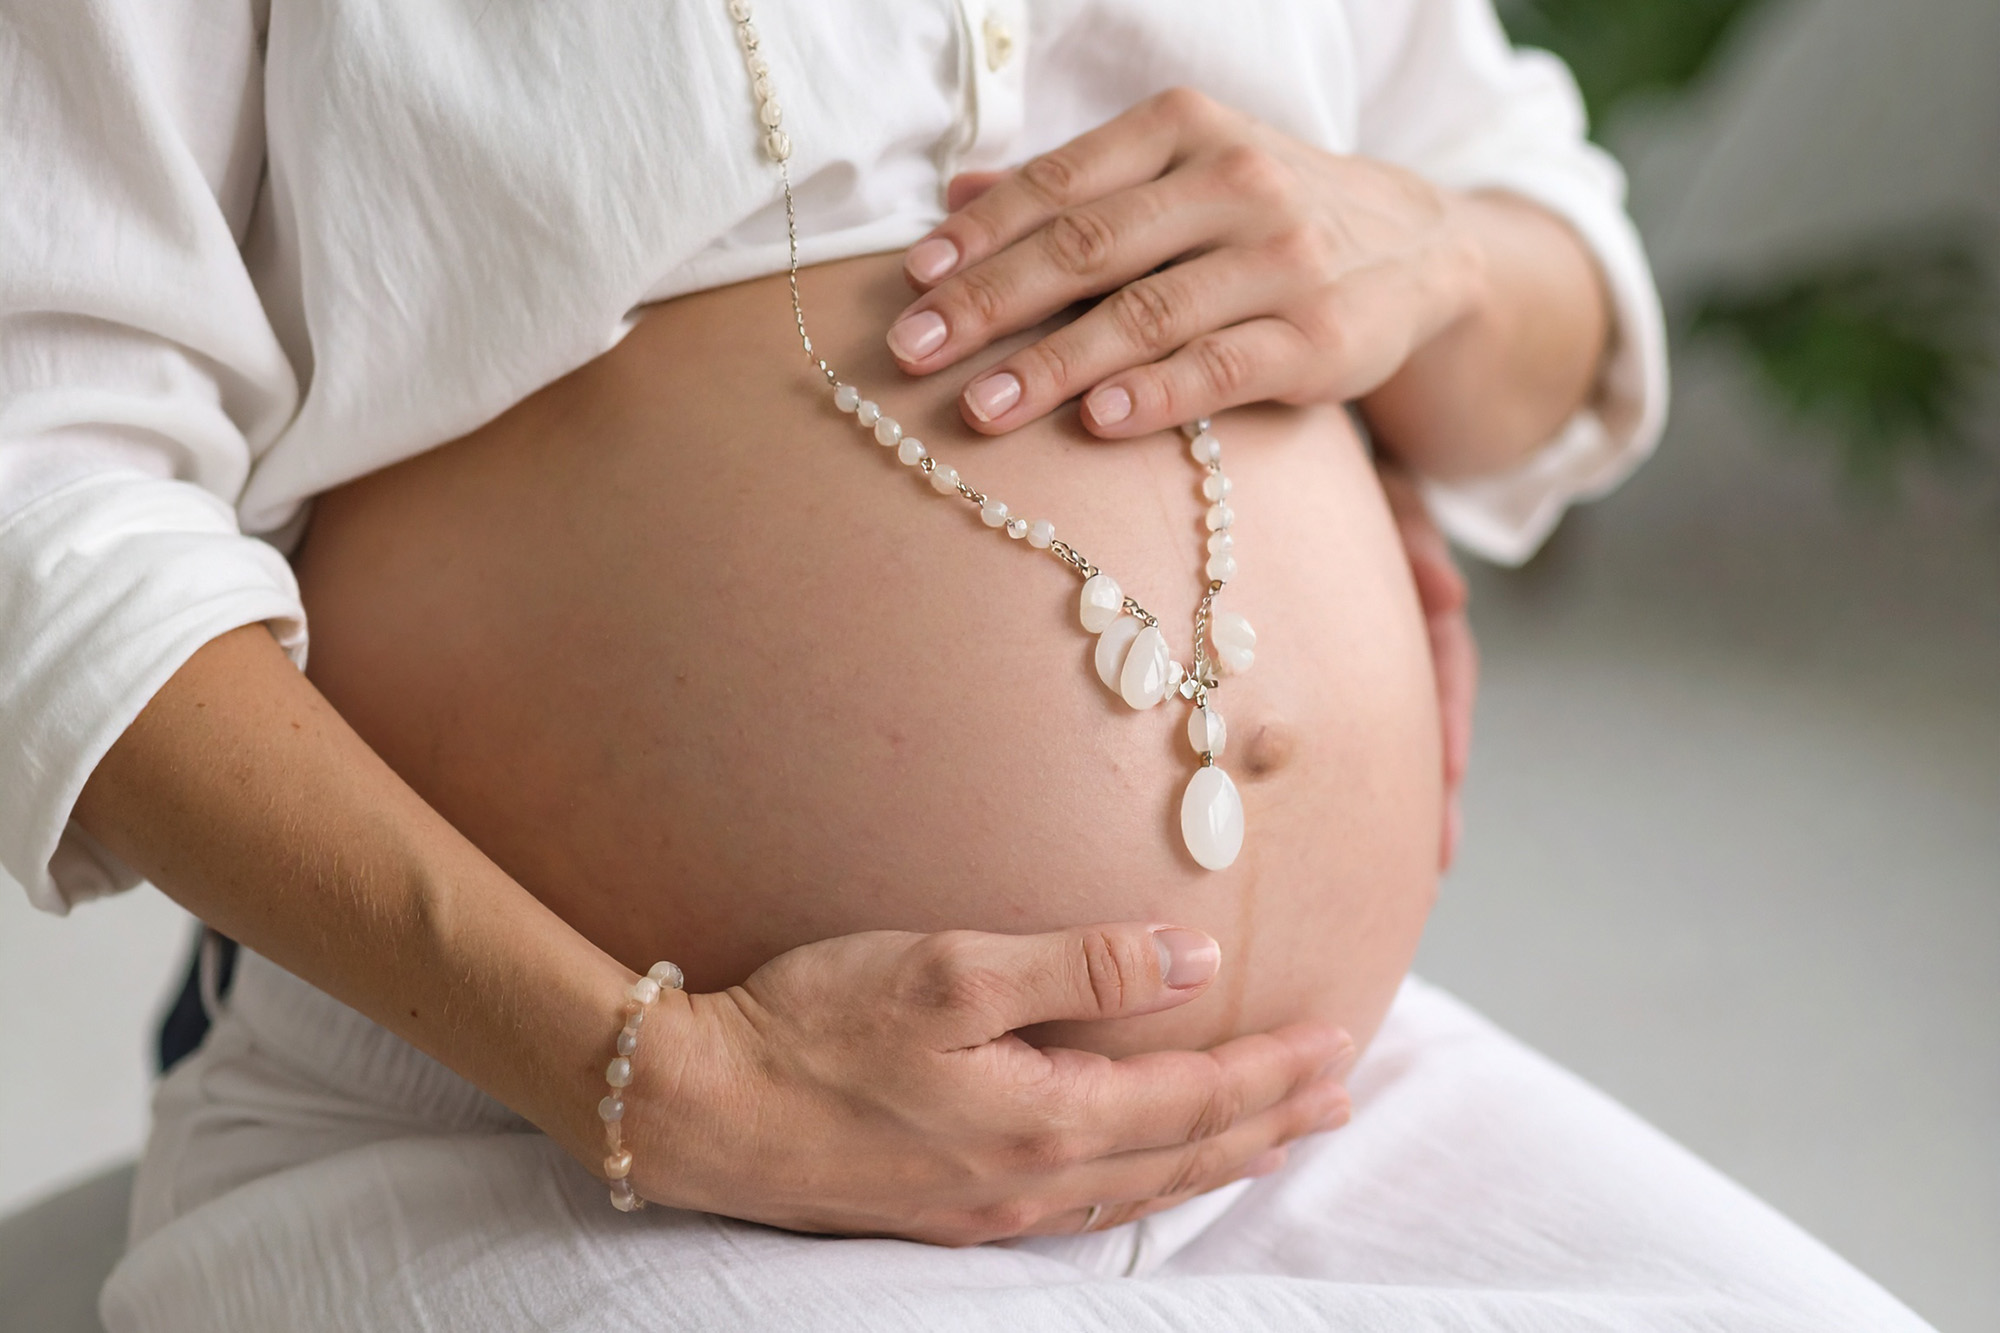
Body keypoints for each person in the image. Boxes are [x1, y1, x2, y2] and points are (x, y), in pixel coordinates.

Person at [0, 1, 1931, 1328]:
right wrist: (658, 1078)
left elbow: (1548, 266)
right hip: (544, 1131)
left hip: (1291, 1113)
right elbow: (43, 480)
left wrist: (1433, 250)